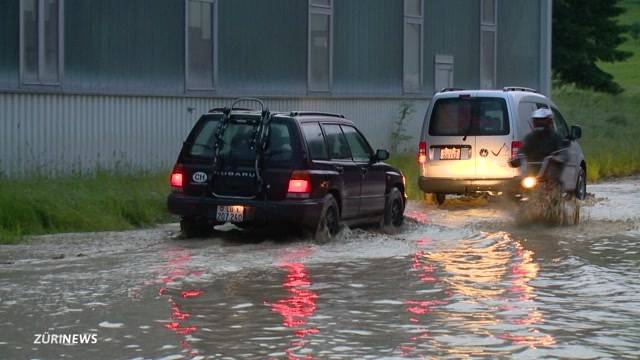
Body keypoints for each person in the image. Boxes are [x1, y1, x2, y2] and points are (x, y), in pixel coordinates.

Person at [520, 108, 567, 183]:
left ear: (549, 122)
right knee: (514, 184)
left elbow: (563, 153)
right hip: (532, 170)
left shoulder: (556, 137)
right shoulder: (530, 137)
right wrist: (518, 157)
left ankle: (555, 192)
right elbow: (522, 150)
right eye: (537, 121)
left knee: (554, 181)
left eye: (542, 121)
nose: (540, 123)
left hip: (549, 171)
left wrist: (555, 158)